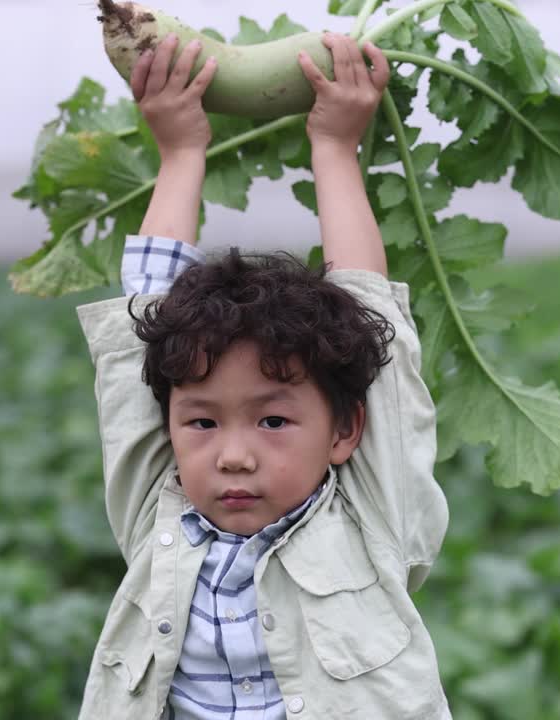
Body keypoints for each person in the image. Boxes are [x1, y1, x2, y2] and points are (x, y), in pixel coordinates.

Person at [74, 29, 450, 719]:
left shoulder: (374, 519)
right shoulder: (155, 516)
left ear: (345, 429)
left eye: (273, 419)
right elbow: (138, 344)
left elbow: (371, 316)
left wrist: (335, 148)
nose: (234, 455)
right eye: (202, 421)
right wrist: (182, 152)